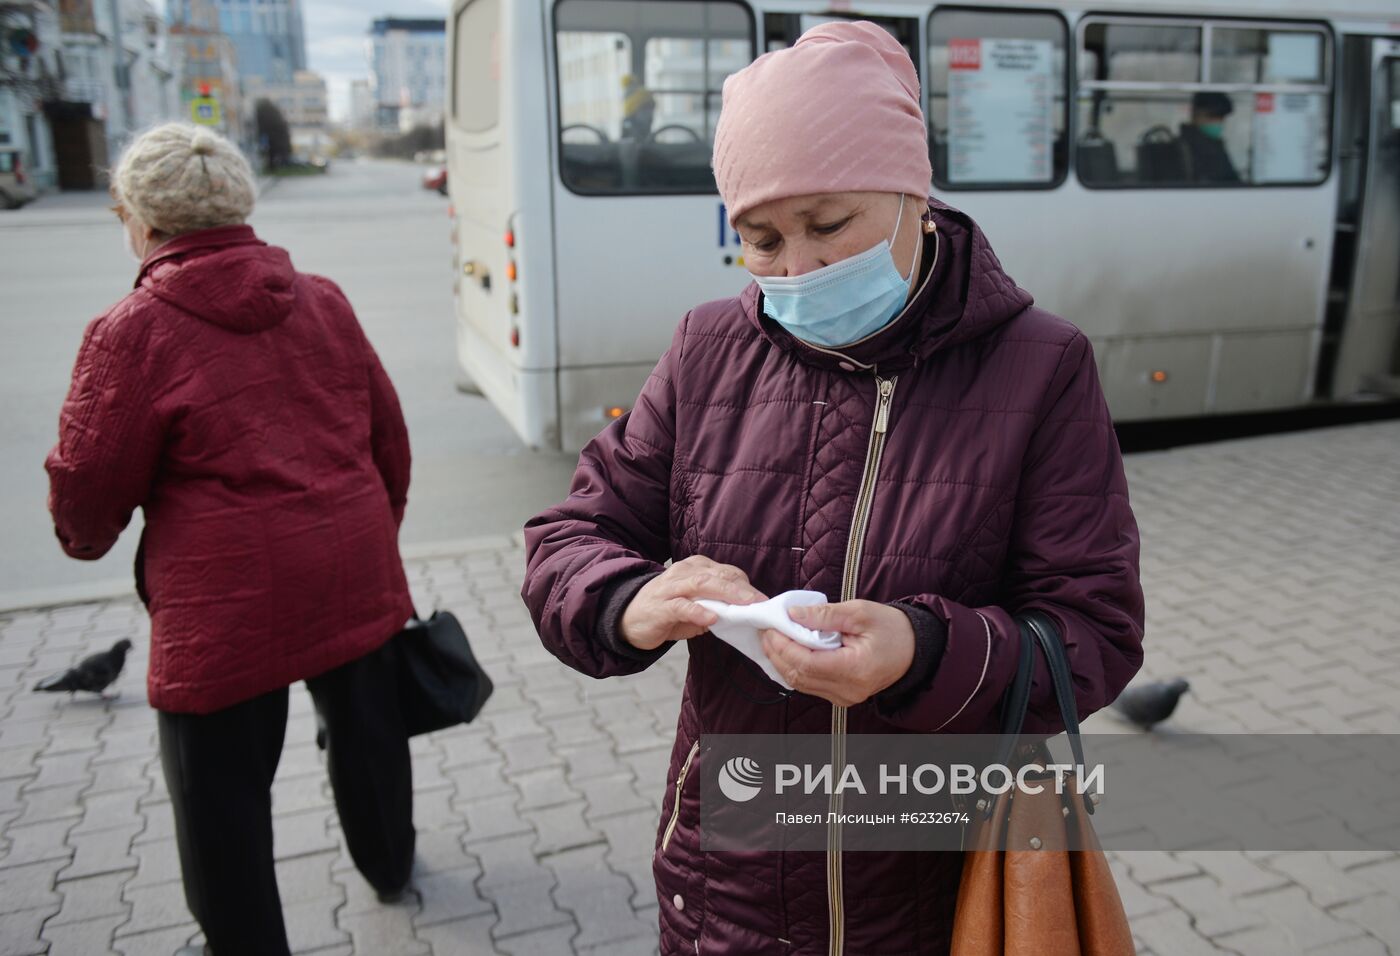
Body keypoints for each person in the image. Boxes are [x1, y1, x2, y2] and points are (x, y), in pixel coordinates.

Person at [522, 21, 1144, 955]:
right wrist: (631, 598)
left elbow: (1091, 634)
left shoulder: (1042, 364)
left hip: (939, 884)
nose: (799, 268)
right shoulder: (707, 349)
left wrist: (925, 651)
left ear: (912, 194)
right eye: (761, 238)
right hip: (724, 883)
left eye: (828, 224)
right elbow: (571, 535)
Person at [45, 123, 416, 956]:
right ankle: (391, 866)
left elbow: (88, 497)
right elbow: (387, 438)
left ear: (143, 220)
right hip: (350, 559)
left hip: (225, 602)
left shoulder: (130, 331)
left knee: (222, 803)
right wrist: (371, 535)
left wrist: (84, 534)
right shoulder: (321, 296)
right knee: (370, 741)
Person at [1180, 91, 1241, 182]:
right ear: (1195, 114)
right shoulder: (1186, 148)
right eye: (1212, 116)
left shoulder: (1215, 145)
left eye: (1221, 118)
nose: (1218, 122)